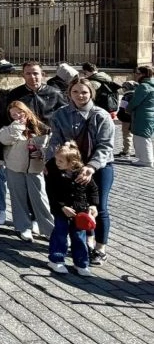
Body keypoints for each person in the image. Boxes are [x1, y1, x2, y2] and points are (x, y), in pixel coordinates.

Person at [48, 75, 115, 265]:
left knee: (99, 206)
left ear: (91, 93)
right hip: (72, 167)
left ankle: (100, 248)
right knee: (78, 204)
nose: (80, 95)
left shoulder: (100, 115)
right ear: (69, 93)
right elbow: (55, 141)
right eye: (75, 92)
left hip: (99, 167)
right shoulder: (60, 114)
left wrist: (91, 167)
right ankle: (87, 241)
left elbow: (106, 146)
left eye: (84, 92)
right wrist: (50, 164)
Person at [0, 101, 53, 242]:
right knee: (18, 198)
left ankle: (49, 229)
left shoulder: (42, 128)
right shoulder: (9, 128)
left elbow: (51, 146)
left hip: (35, 168)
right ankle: (23, 227)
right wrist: (18, 126)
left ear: (26, 111)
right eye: (13, 114)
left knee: (40, 199)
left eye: (20, 112)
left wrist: (42, 153)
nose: (18, 116)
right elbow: (4, 140)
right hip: (14, 167)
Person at [45, 142, 99, 276]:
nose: (57, 162)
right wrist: (62, 206)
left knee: (79, 237)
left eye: (60, 161)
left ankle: (81, 263)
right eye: (56, 159)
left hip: (80, 212)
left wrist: (93, 205)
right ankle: (56, 259)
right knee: (60, 235)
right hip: (61, 211)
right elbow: (51, 192)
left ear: (72, 162)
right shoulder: (54, 173)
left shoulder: (82, 173)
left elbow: (93, 190)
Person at [126, 65, 154, 167]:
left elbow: (135, 101)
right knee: (145, 136)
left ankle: (146, 160)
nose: (136, 75)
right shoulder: (151, 84)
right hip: (150, 114)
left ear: (143, 74)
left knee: (141, 137)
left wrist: (128, 109)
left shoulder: (144, 86)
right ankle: (145, 157)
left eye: (137, 73)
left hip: (143, 115)